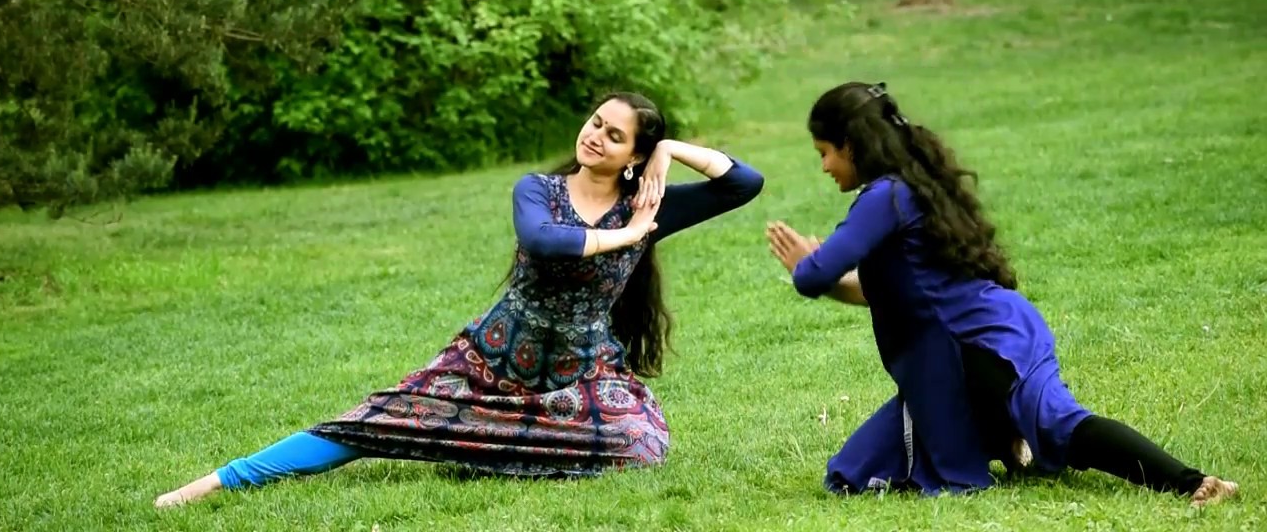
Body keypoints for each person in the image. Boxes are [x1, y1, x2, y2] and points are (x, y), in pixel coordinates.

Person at [156, 91, 765, 508]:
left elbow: (745, 183)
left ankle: (492, 448)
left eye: (615, 135)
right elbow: (542, 240)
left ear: (632, 154)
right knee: (374, 423)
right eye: (594, 123)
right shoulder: (540, 191)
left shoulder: (649, 203)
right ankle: (215, 484)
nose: (594, 136)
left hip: (579, 374)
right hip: (493, 360)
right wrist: (628, 235)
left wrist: (668, 148)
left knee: (641, 445)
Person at [765, 81, 1238, 507]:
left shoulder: (885, 197)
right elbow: (884, 292)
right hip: (965, 349)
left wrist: (807, 264)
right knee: (851, 473)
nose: (824, 166)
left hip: (989, 345)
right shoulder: (908, 188)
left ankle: (1195, 483)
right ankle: (1003, 434)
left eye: (824, 151)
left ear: (851, 144)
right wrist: (822, 274)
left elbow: (813, 276)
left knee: (1063, 426)